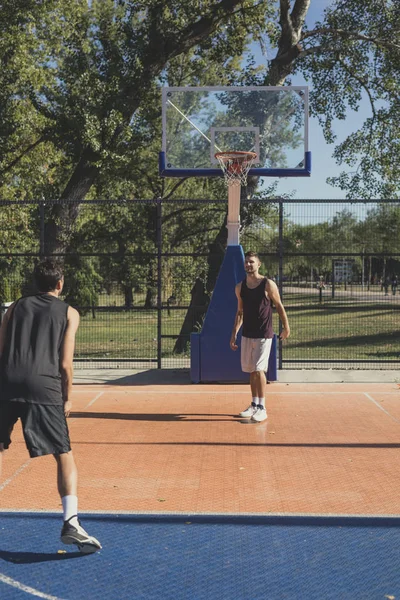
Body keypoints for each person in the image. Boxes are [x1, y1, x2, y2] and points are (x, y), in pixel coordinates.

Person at [0, 259, 101, 554]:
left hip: (6, 382)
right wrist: (67, 396)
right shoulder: (69, 312)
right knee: (63, 454)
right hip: (43, 387)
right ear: (60, 283)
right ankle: (71, 521)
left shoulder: (14, 308)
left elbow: (1, 349)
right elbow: (66, 363)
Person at [230, 251, 290, 422]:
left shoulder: (267, 284)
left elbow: (278, 305)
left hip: (264, 334)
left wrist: (286, 327)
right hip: (247, 334)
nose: (249, 265)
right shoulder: (239, 287)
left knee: (258, 370)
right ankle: (254, 404)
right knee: (251, 371)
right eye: (246, 262)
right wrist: (234, 333)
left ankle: (262, 407)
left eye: (252, 262)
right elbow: (240, 312)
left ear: (259, 264)